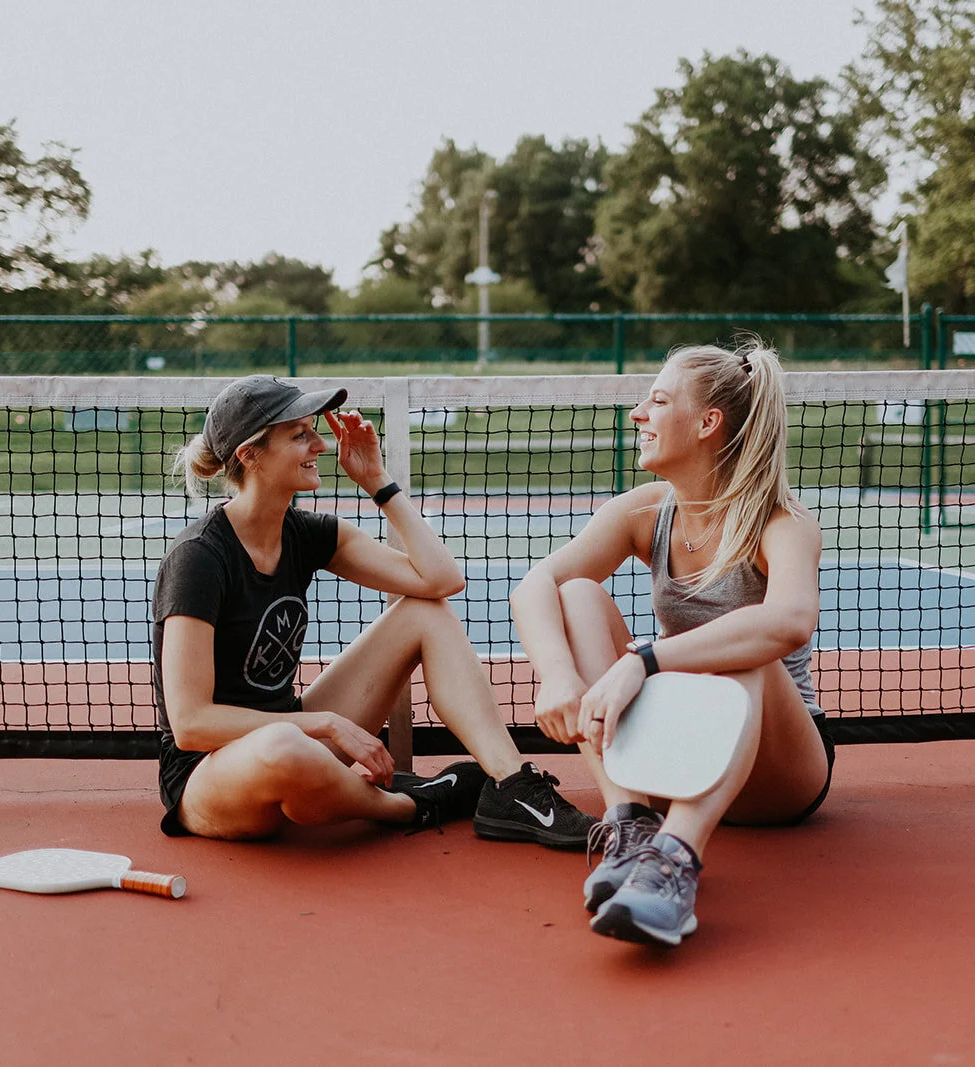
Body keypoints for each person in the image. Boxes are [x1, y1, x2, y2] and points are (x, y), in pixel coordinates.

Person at [153, 374, 594, 847]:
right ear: (250, 455)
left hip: (294, 740)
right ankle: (412, 804)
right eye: (300, 434)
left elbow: (441, 580)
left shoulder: (308, 533)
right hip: (210, 773)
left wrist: (376, 481)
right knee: (282, 747)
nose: (320, 445)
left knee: (427, 612)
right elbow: (192, 723)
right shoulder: (198, 558)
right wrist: (324, 724)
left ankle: (514, 787)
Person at [510, 341, 832, 945]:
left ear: (709, 423)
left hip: (776, 771)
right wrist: (557, 675)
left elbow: (789, 622)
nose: (637, 414)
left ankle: (674, 865)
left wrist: (645, 659)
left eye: (657, 401)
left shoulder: (783, 523)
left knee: (750, 660)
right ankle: (630, 824)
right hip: (679, 751)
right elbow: (537, 585)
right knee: (576, 593)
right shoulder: (645, 512)